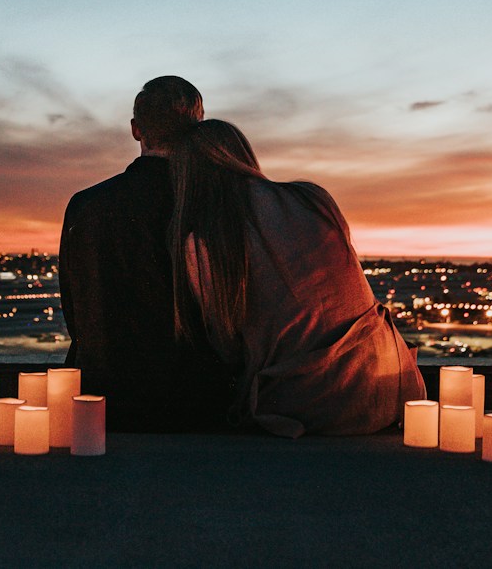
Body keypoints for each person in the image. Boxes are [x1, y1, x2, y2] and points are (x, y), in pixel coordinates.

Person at [168, 119, 425, 437]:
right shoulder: (313, 198)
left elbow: (227, 346)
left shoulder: (206, 242)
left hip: (309, 406)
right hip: (393, 386)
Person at [59, 77, 233, 431]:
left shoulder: (85, 206)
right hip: (195, 405)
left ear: (136, 130)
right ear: (198, 128)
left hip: (103, 400)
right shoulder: (216, 206)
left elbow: (77, 315)